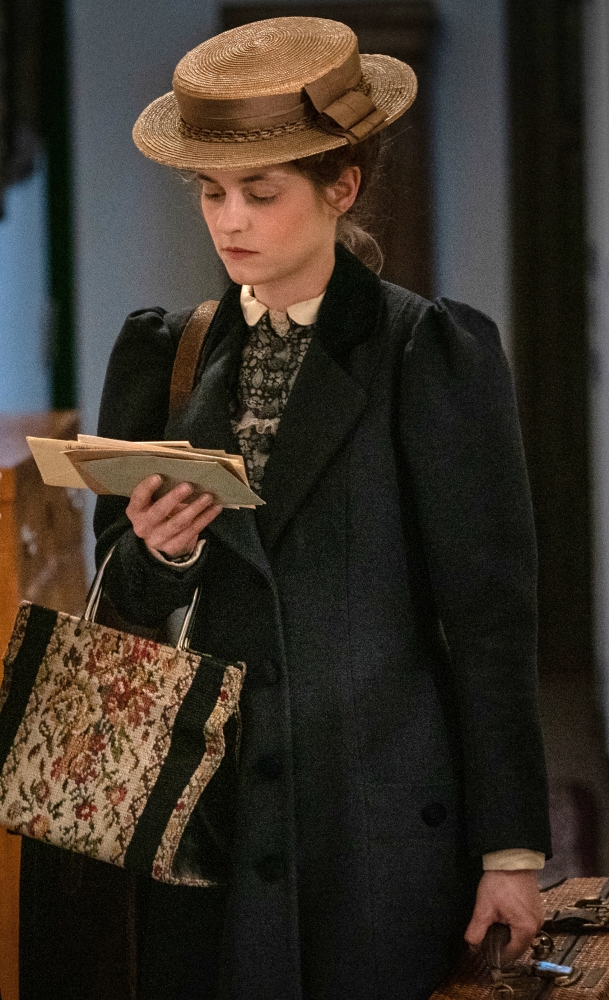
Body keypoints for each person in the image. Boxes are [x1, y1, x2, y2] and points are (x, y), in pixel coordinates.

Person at [93, 16, 551, 1000]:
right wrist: (160, 555)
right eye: (211, 192)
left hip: (373, 827)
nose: (230, 220)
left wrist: (510, 851)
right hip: (203, 828)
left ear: (341, 187)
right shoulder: (166, 354)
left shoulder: (428, 352)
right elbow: (118, 599)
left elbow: (488, 617)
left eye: (261, 193)